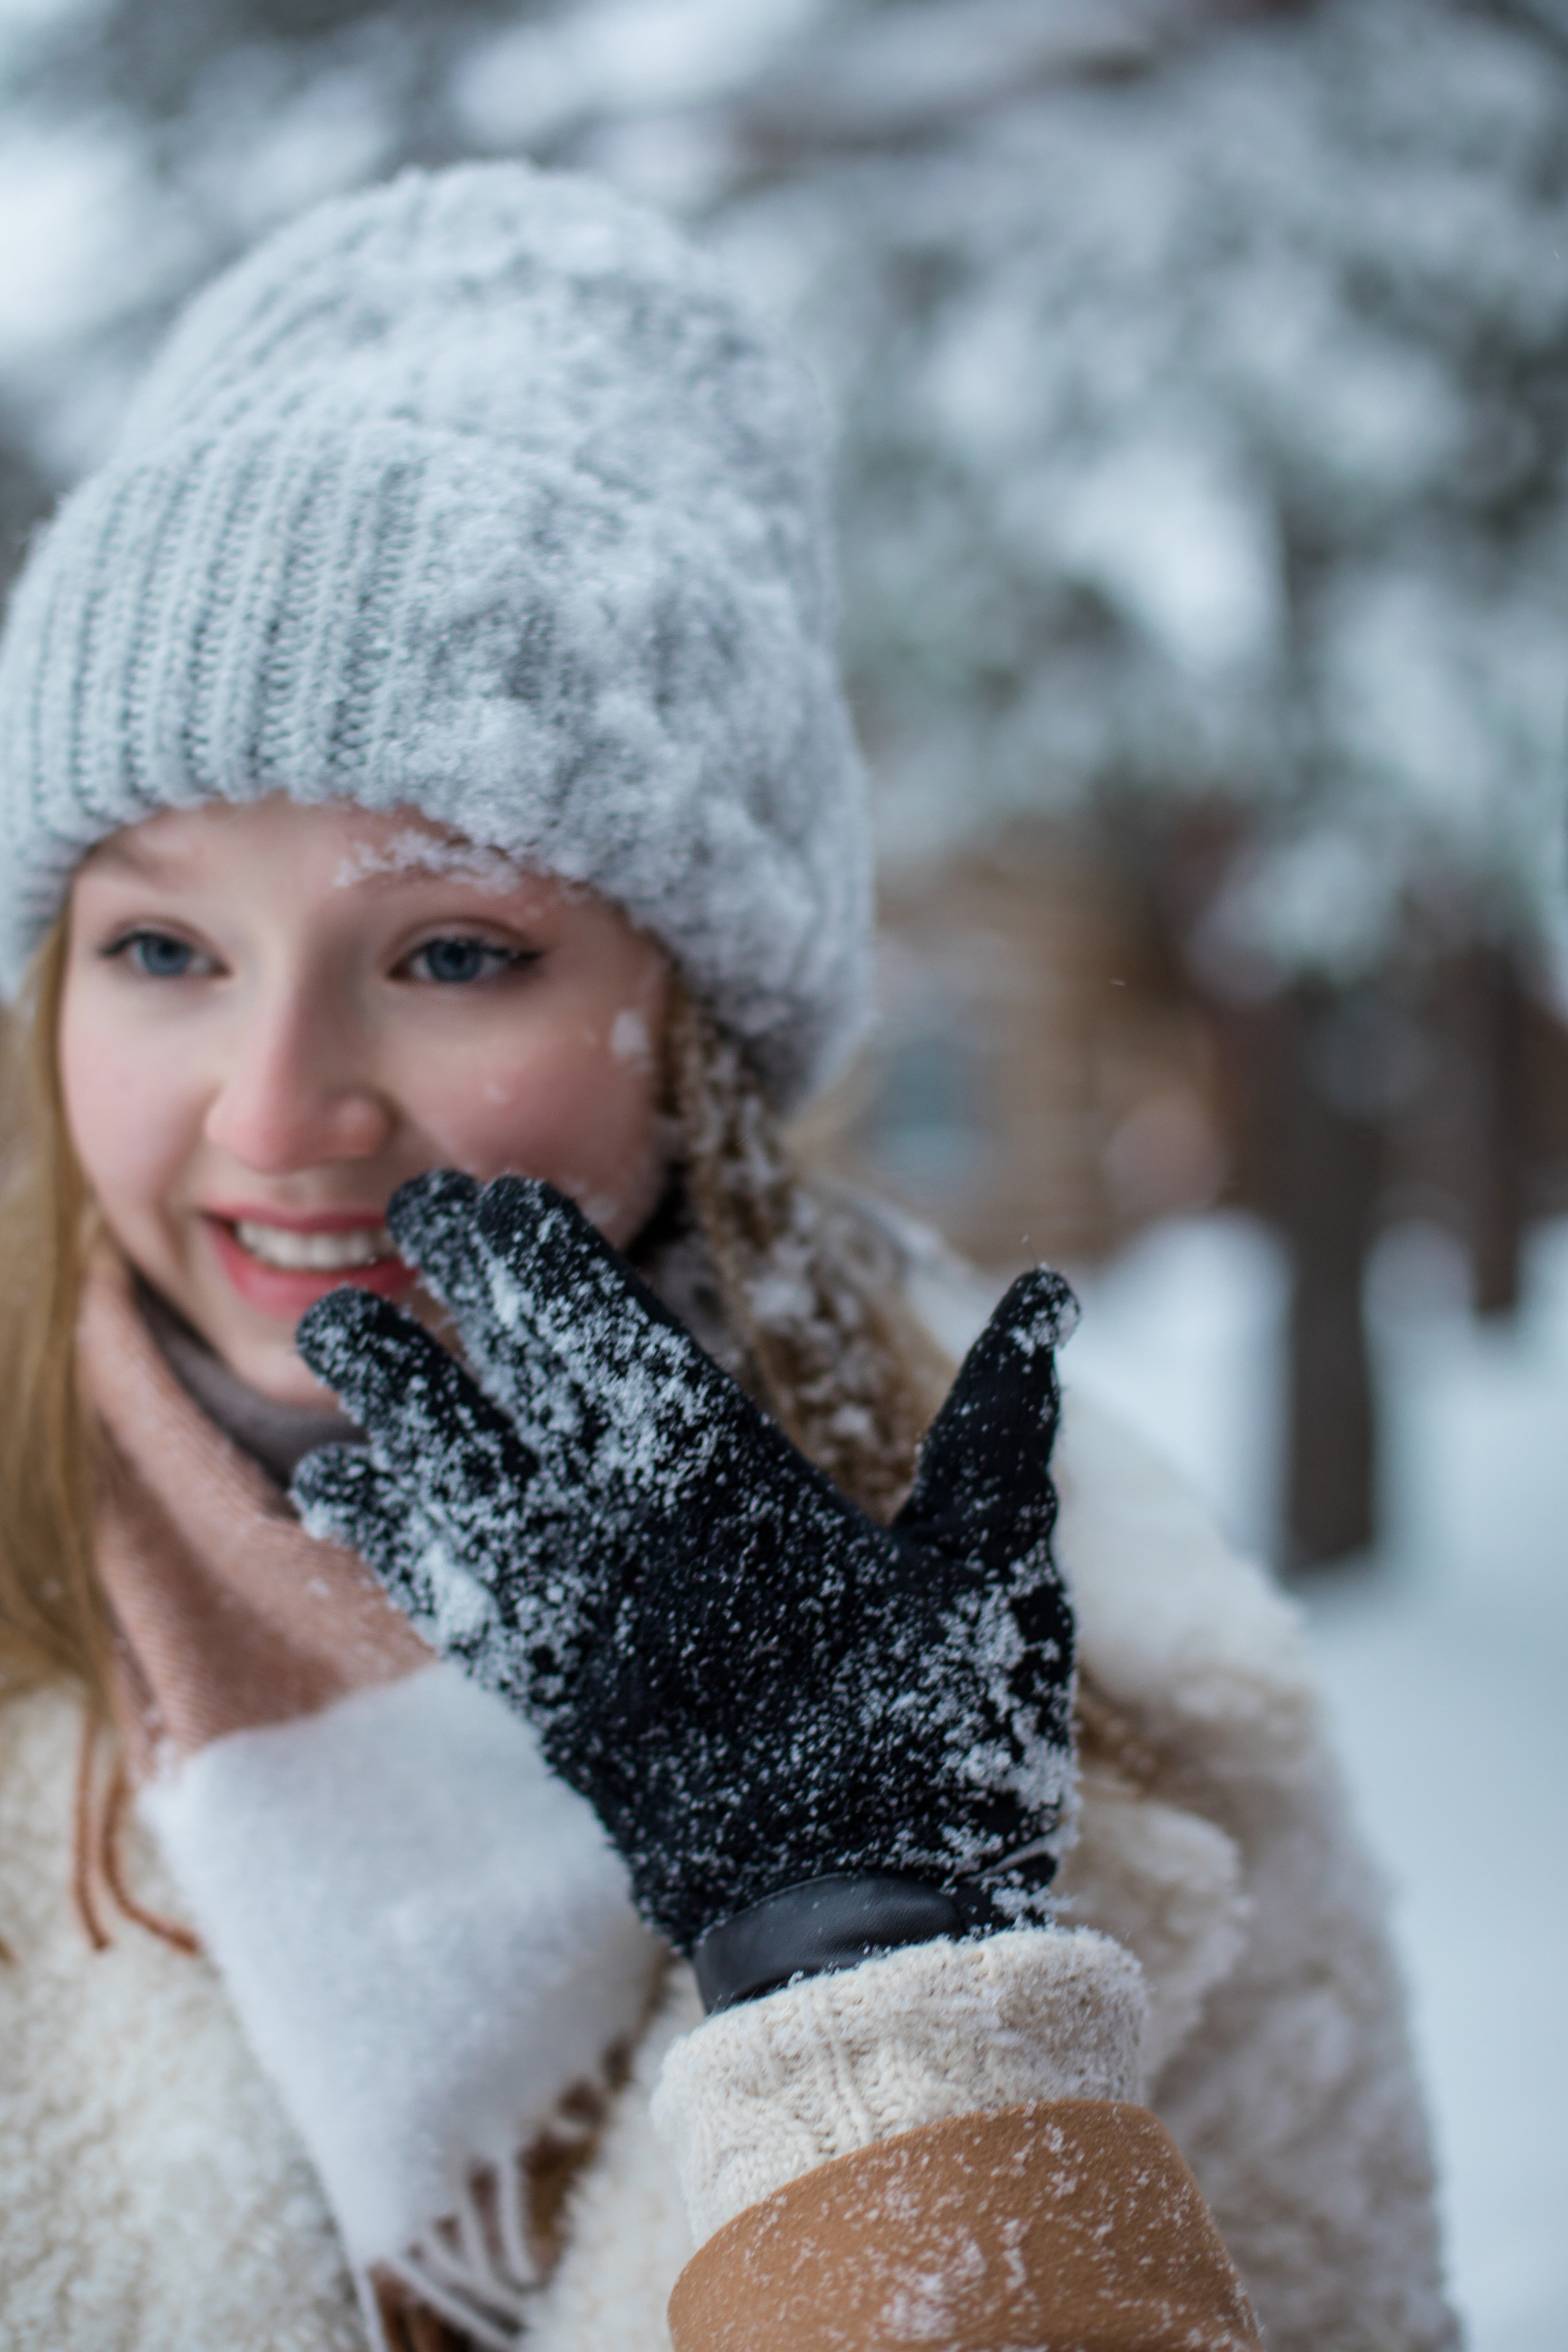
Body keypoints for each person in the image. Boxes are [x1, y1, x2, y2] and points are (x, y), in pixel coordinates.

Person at [0, 165, 1457, 2352]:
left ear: (694, 1023)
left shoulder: (1137, 1726)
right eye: (165, 948)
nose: (280, 1108)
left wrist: (888, 1995)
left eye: (454, 950)